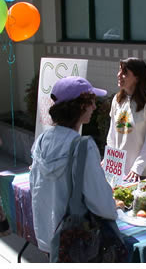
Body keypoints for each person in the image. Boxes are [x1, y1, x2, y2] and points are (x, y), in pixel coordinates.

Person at [29, 76, 118, 255]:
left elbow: (35, 186)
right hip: (76, 238)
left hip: (48, 235)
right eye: (91, 102)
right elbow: (99, 200)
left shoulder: (42, 140)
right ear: (80, 106)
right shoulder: (83, 146)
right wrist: (114, 209)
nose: (94, 107)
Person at [105, 57, 146, 182]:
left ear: (137, 78)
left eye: (124, 73)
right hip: (120, 170)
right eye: (119, 71)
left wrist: (137, 168)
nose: (119, 75)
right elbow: (112, 135)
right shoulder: (117, 99)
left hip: (143, 173)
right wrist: (110, 158)